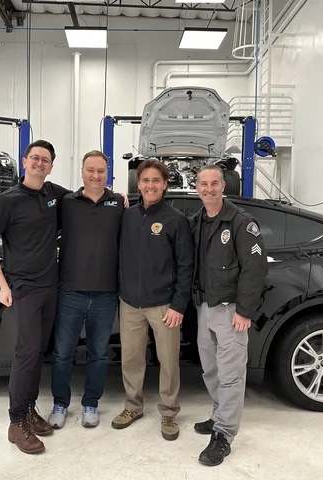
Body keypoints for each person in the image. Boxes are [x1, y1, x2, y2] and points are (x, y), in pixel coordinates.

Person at [0, 139, 72, 455]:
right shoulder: (7, 201)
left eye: (45, 160)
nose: (39, 163)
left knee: (39, 350)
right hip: (25, 288)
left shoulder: (54, 195)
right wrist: (4, 286)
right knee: (26, 353)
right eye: (35, 158)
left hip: (51, 286)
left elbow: (85, 200)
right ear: (25, 161)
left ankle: (30, 408)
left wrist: (120, 198)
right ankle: (16, 422)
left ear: (51, 166)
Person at [189, 163, 268, 467]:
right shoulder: (198, 221)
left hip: (230, 310)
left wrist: (245, 311)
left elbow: (255, 268)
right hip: (205, 307)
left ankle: (223, 435)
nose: (208, 189)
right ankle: (218, 415)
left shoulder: (240, 222)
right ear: (197, 188)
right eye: (203, 184)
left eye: (214, 183)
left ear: (223, 186)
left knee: (231, 374)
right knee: (211, 369)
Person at [111, 159, 194, 442]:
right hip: (130, 303)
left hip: (163, 305)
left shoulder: (176, 220)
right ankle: (133, 407)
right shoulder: (127, 216)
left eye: (155, 180)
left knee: (168, 362)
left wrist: (178, 305)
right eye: (145, 180)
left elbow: (186, 266)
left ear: (165, 184)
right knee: (131, 359)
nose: (150, 185)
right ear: (138, 184)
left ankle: (169, 412)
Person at [48, 150, 125, 430]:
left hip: (106, 295)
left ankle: (91, 403)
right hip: (70, 293)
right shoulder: (66, 203)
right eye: (90, 170)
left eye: (101, 171)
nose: (95, 175)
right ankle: (60, 404)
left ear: (108, 173)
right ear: (81, 172)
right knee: (62, 353)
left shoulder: (118, 203)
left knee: (99, 354)